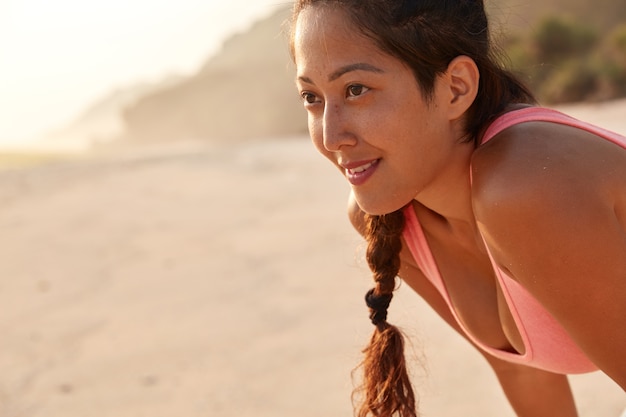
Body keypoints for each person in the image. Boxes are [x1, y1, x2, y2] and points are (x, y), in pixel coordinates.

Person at [289, 0, 626, 416]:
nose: (331, 135)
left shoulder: (526, 186)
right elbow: (525, 374)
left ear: (456, 88)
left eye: (356, 89)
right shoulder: (388, 218)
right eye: (311, 97)